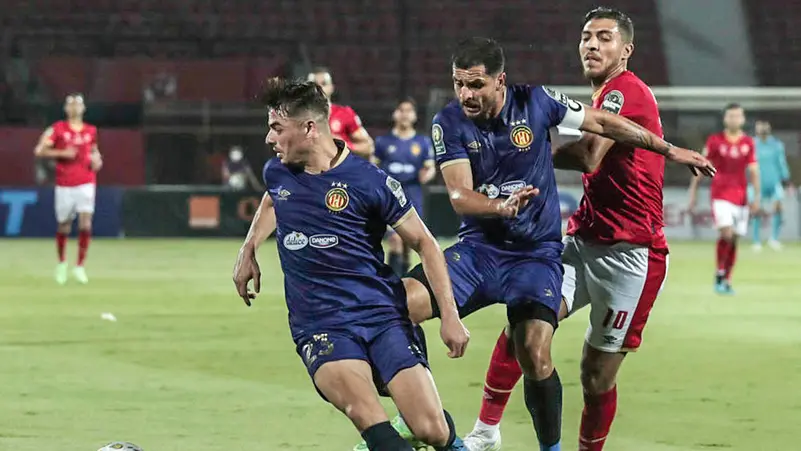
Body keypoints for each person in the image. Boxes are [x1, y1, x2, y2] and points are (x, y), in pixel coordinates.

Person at [355, 36, 714, 451]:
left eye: (475, 84)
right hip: (478, 252)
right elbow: (458, 194)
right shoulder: (448, 121)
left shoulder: (537, 101)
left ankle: (548, 447)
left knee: (533, 348)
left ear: (500, 81)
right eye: (459, 84)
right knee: (393, 307)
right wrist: (501, 207)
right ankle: (417, 413)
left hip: (535, 256)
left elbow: (603, 123)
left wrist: (668, 150)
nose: (465, 94)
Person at [459, 8, 713, 451]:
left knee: (595, 376)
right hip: (582, 241)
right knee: (526, 324)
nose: (592, 45)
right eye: (586, 37)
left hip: (632, 255)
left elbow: (591, 154)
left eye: (604, 38)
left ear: (626, 50)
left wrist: (522, 151)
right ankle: (485, 432)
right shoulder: (602, 95)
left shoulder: (623, 91)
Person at [232, 78, 470, 451]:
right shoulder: (277, 172)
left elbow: (426, 243)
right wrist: (248, 249)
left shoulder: (370, 182)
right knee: (371, 420)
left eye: (277, 128)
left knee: (432, 430)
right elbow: (272, 199)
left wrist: (450, 317)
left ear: (309, 128)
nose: (269, 138)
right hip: (320, 325)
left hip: (381, 316)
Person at [688, 103, 759, 295]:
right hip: (720, 194)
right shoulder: (715, 141)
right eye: (731, 116)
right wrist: (693, 191)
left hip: (741, 196)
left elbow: (754, 171)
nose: (734, 119)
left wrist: (756, 197)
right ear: (725, 119)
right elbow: (701, 166)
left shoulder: (748, 143)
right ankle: (720, 273)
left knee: (734, 238)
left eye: (737, 116)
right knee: (726, 233)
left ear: (743, 119)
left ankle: (727, 279)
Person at [34, 93, 102, 285]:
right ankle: (62, 263)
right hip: (65, 184)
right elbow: (39, 150)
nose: (74, 107)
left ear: (83, 108)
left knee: (85, 224)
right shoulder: (58, 129)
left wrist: (97, 161)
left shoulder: (91, 130)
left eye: (78, 104)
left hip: (86, 181)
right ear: (65, 108)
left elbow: (95, 152)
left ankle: (80, 266)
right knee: (64, 225)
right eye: (71, 104)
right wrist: (62, 153)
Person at [374, 98, 437, 275]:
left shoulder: (422, 142)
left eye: (409, 111)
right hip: (389, 197)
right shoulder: (383, 142)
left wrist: (427, 175)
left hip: (412, 195)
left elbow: (430, 168)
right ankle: (392, 281)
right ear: (395, 114)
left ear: (415, 116)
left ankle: (403, 279)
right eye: (401, 110)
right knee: (395, 239)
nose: (405, 115)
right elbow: (373, 166)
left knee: (409, 244)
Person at [308, 67, 375, 159]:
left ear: (331, 87)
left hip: (339, 167)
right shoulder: (296, 117)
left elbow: (368, 147)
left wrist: (344, 145)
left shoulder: (344, 114)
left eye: (324, 84)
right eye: (314, 84)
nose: (319, 88)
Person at [751, 119, 791, 250]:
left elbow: (781, 163)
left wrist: (786, 179)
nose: (762, 130)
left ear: (769, 129)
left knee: (778, 206)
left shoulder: (776, 145)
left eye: (765, 127)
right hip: (758, 182)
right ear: (756, 129)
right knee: (756, 209)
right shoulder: (752, 144)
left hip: (774, 181)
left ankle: (773, 239)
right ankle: (756, 241)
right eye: (760, 128)